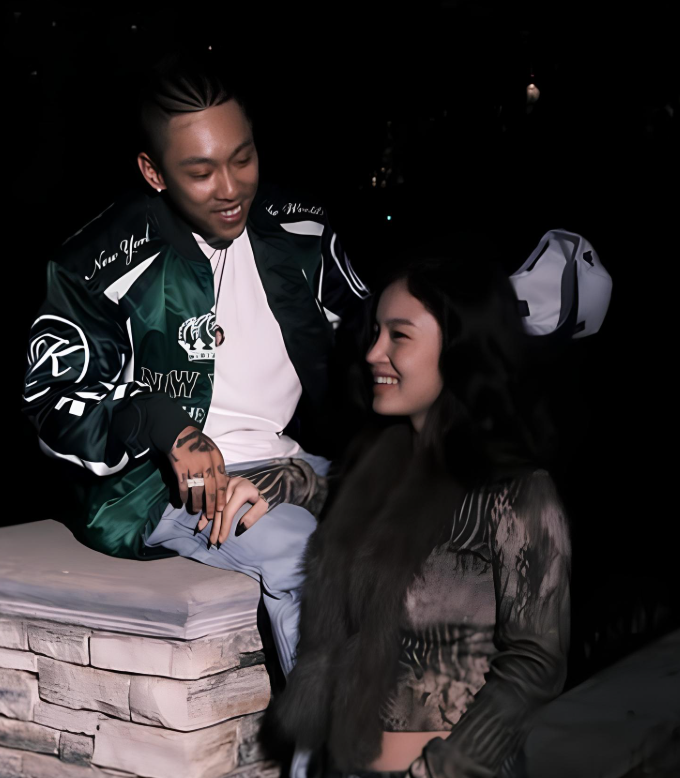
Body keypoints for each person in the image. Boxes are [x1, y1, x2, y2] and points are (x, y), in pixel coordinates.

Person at [21, 53, 369, 680]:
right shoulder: (99, 260)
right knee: (310, 560)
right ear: (154, 172)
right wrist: (163, 424)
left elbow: (377, 344)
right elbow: (53, 404)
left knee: (442, 516)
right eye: (201, 172)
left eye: (243, 159)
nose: (231, 188)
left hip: (289, 463)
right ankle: (338, 738)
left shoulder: (300, 231)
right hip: (161, 488)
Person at [270, 248, 572, 778]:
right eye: (376, 332)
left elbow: (535, 662)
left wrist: (442, 769)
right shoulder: (379, 469)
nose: (373, 353)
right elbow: (332, 502)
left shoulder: (517, 493)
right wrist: (272, 485)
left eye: (399, 336)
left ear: (458, 348)